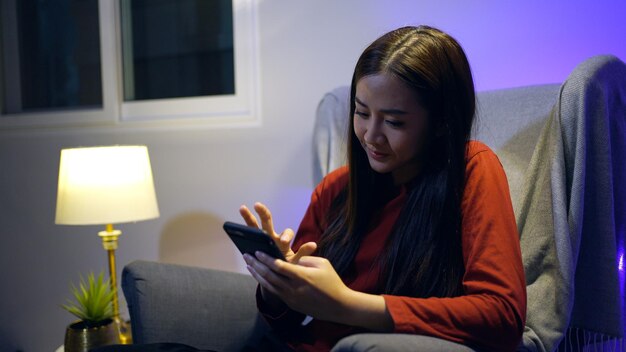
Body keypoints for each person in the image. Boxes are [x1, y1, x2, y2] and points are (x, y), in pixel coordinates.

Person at [240, 25, 526, 352]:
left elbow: (502, 316)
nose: (371, 136)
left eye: (394, 122)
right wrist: (277, 286)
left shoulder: (471, 170)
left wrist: (347, 304)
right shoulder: (336, 190)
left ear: (442, 122)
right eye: (362, 113)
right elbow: (287, 324)